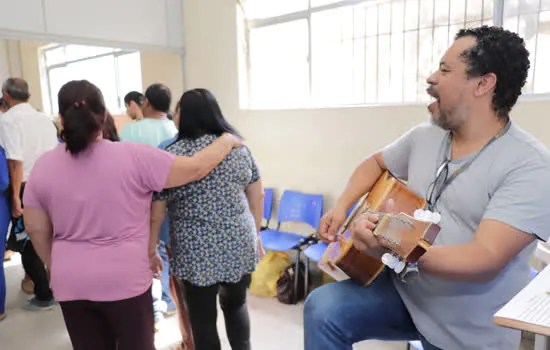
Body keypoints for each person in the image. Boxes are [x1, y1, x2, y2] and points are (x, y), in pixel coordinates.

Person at [303, 26, 550, 350]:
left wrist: (388, 243)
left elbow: (483, 258)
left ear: (483, 84)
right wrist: (342, 208)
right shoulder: (426, 135)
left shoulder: (531, 165)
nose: (432, 78)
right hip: (407, 294)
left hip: (468, 328)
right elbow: (376, 163)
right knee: (323, 309)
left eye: (445, 70)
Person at [21, 80, 243, 350]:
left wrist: (55, 265)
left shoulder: (43, 166)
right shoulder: (134, 157)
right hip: (124, 279)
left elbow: (35, 228)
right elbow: (196, 168)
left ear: (60, 119)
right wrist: (227, 140)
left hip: (71, 280)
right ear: (104, 116)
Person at [151, 88, 265, 350]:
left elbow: (156, 210)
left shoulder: (170, 154)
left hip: (195, 250)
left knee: (202, 320)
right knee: (236, 306)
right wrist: (255, 233)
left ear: (184, 115)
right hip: (238, 241)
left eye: (177, 110)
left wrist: (150, 247)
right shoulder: (239, 148)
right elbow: (256, 195)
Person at [0, 78, 58, 309]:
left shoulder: (8, 120)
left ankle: (43, 294)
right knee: (49, 237)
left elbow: (16, 162)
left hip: (26, 188)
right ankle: (57, 287)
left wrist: (15, 198)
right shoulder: (44, 118)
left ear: (6, 95)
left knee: (27, 242)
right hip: (51, 185)